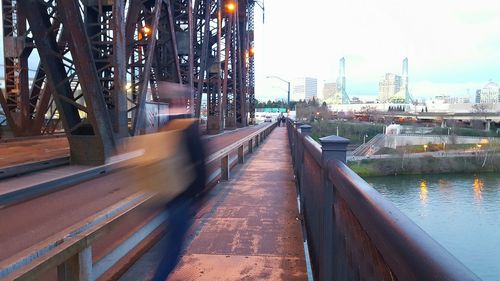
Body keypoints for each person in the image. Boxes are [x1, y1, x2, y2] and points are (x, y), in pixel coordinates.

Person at [151, 82, 207, 281]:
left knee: (168, 247)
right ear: (184, 102)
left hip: (166, 196)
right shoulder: (190, 129)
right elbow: (201, 165)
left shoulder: (164, 127)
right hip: (183, 198)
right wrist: (201, 197)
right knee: (173, 251)